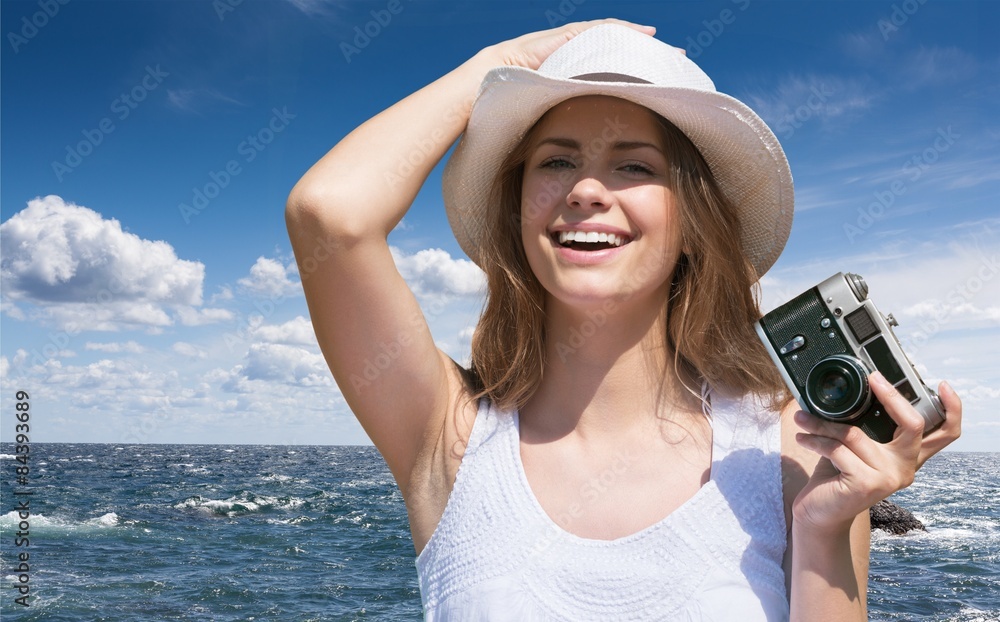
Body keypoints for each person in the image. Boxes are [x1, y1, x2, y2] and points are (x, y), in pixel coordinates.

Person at [285, 19, 962, 620]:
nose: (584, 189)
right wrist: (500, 61)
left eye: (633, 165)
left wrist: (822, 527)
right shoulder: (449, 437)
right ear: (519, 210)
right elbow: (328, 215)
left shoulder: (795, 447)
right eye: (555, 161)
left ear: (694, 222)